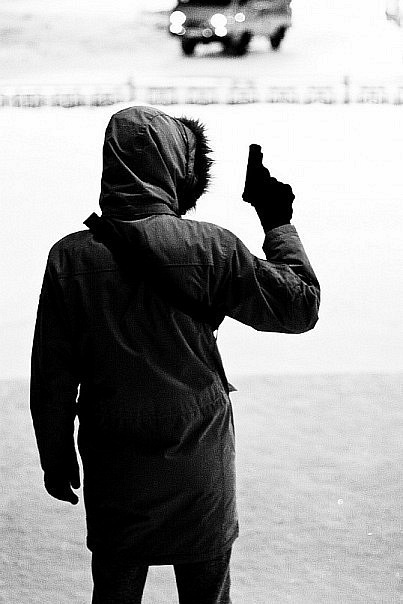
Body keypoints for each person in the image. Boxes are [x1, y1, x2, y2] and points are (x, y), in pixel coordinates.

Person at [30, 105, 320, 604]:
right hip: (198, 456)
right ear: (175, 166)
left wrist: (54, 456)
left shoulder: (69, 258)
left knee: (115, 592)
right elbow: (299, 308)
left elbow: (52, 377)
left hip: (115, 461)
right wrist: (277, 222)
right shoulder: (212, 248)